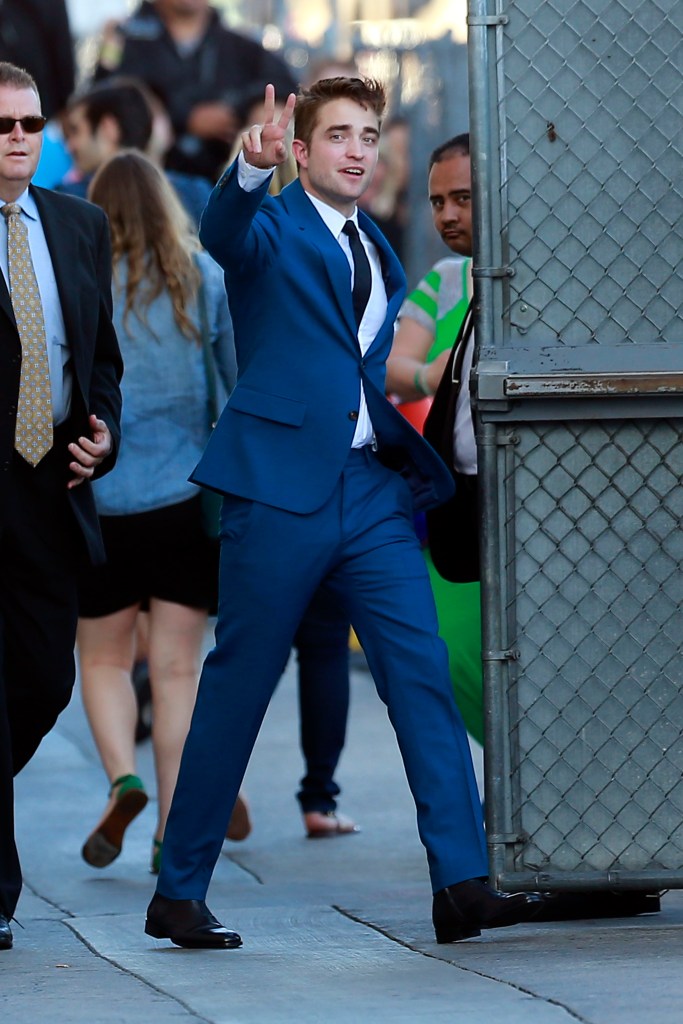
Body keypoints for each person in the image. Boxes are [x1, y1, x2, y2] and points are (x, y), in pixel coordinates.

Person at [143, 77, 546, 950]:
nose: (357, 150)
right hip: (278, 489)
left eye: (367, 135)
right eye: (337, 135)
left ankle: (461, 882)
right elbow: (223, 234)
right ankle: (178, 892)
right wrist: (249, 171)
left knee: (420, 672)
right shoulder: (270, 228)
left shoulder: (375, 244)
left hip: (367, 490)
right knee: (240, 686)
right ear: (300, 149)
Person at [76, 150, 236, 875]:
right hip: (184, 501)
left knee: (103, 658)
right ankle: (173, 827)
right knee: (177, 672)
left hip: (100, 500)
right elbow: (232, 386)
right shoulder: (202, 279)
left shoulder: (79, 283)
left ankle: (122, 777)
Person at [0, 61, 122, 951]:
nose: (18, 138)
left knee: (44, 681)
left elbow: (101, 356)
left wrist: (104, 433)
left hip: (52, 486)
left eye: (31, 123)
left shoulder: (80, 225)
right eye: (1, 125)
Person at [385, 134, 483, 741]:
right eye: (437, 201)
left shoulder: (546, 280)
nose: (447, 214)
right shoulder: (448, 279)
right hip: (456, 503)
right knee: (449, 650)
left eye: (463, 198)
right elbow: (394, 367)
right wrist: (435, 375)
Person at [93, 0, 298, 181]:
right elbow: (103, 96)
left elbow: (287, 87)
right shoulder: (124, 37)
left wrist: (239, 110)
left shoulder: (239, 47)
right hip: (148, 180)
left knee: (272, 116)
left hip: (225, 179)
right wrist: (185, 118)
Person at [59, 78, 213, 228]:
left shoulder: (70, 202)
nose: (69, 146)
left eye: (75, 131)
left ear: (108, 128)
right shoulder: (197, 194)